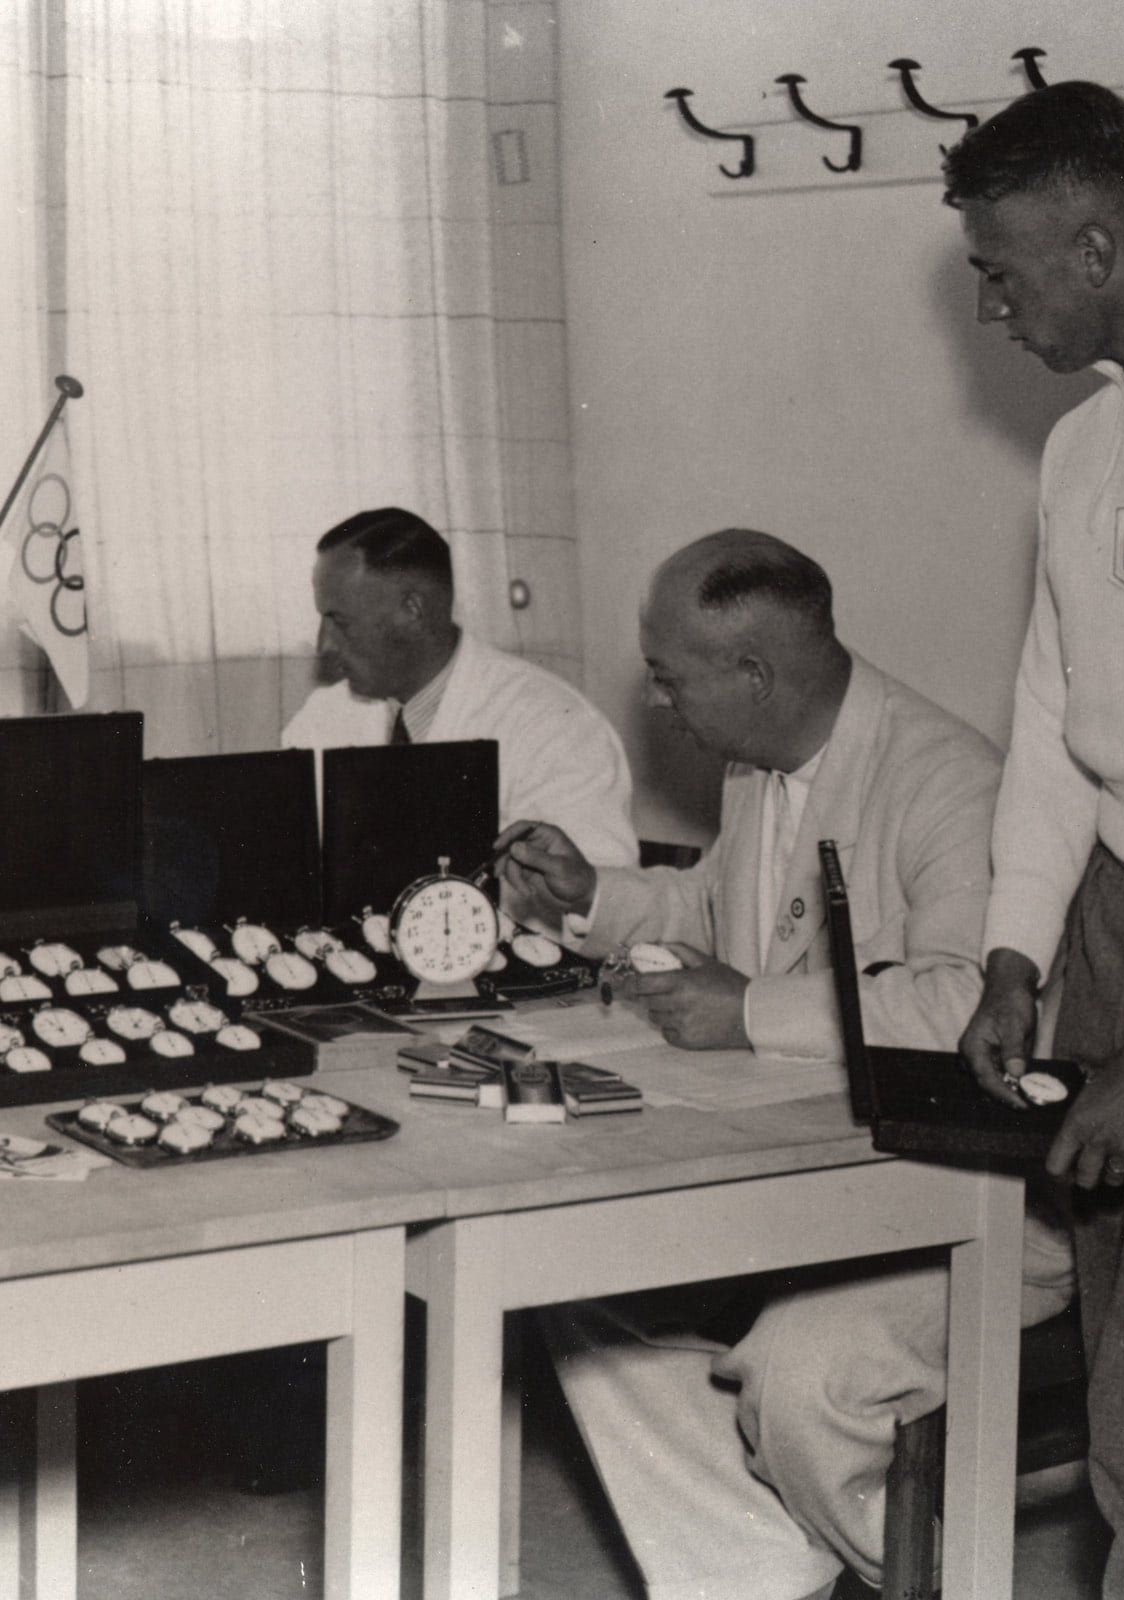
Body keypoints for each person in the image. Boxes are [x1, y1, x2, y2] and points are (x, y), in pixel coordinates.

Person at [498, 529, 1074, 1600]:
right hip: (811, 1180)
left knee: (803, 1371)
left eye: (671, 679)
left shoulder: (949, 780)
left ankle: (918, 1577)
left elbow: (966, 1002)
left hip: (975, 1202)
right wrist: (592, 896)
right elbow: (711, 909)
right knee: (571, 1284)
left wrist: (750, 1009)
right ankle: (758, 1567)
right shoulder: (757, 768)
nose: (662, 704)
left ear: (754, 676)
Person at [948, 82, 1124, 1600]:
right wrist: (1014, 952)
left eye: (1001, 268)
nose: (991, 306)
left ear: (1097, 244)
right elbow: (1054, 724)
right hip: (1118, 916)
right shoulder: (1083, 445)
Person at [282, 507, 639, 913]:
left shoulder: (559, 726)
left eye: (339, 621)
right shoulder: (320, 718)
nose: (323, 646)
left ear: (412, 610)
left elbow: (597, 908)